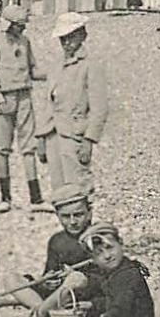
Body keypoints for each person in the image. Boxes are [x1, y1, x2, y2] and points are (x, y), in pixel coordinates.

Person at [0, 222, 155, 317]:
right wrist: (91, 305)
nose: (107, 256)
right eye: (99, 253)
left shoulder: (127, 277)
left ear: (120, 243)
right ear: (93, 258)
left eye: (110, 248)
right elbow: (113, 302)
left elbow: (119, 315)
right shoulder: (121, 271)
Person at [0, 4, 45, 213]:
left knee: (29, 147)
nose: (22, 30)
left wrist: (54, 73)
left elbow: (33, 69)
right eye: (19, 26)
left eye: (23, 26)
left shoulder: (25, 42)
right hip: (5, 98)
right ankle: (5, 197)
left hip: (24, 96)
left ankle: (36, 198)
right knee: (2, 148)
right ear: (9, 25)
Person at [45, 13, 109, 197]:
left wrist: (89, 140)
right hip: (53, 134)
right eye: (62, 39)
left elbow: (100, 109)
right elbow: (49, 102)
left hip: (75, 136)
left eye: (71, 37)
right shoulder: (56, 65)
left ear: (82, 35)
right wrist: (41, 137)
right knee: (59, 192)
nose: (66, 43)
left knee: (79, 189)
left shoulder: (90, 66)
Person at [8, 184, 94, 312]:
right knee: (11, 279)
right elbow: (50, 272)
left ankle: (41, 312)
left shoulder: (97, 236)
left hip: (84, 293)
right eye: (65, 216)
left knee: (76, 278)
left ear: (89, 213)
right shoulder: (56, 241)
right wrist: (47, 282)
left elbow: (106, 276)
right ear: (58, 216)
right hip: (57, 295)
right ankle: (45, 310)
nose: (72, 222)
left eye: (78, 215)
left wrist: (74, 276)